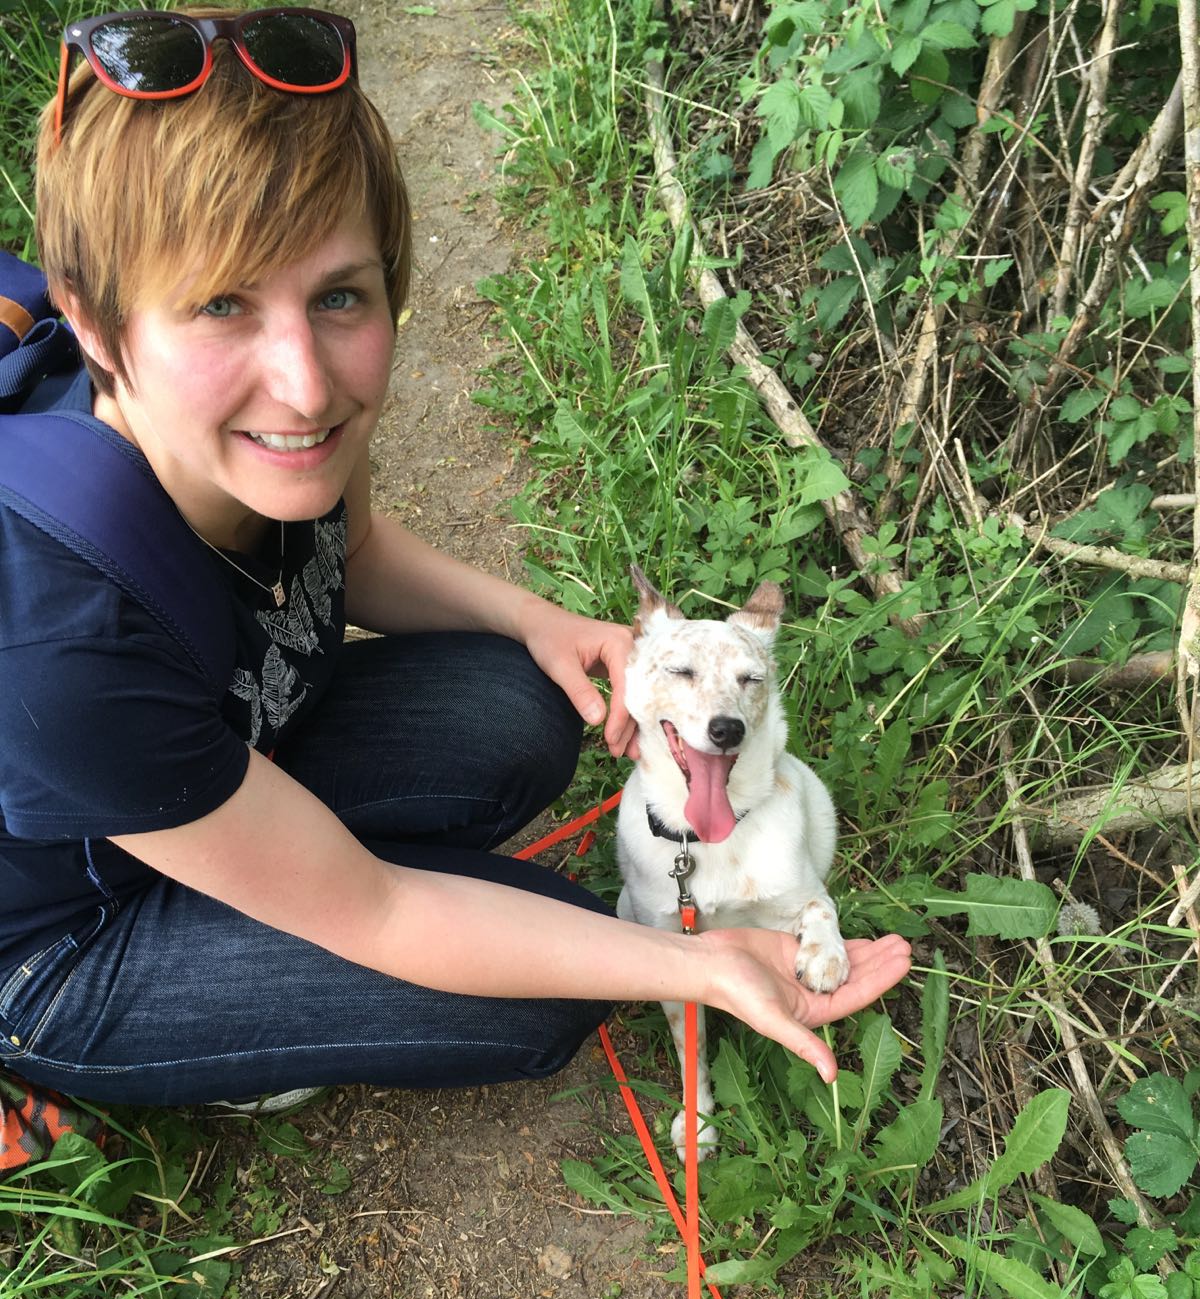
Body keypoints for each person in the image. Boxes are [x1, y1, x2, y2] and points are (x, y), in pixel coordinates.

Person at [0, 6, 910, 1114]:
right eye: (220, 306)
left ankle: (265, 864)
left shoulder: (290, 429)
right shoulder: (60, 636)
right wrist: (699, 964)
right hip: (68, 931)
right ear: (97, 327)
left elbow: (357, 550)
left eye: (340, 293)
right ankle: (211, 1027)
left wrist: (533, 619)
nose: (305, 383)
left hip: (214, 756)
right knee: (530, 1003)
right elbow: (375, 910)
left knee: (520, 701)